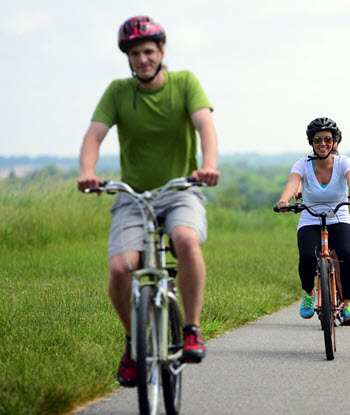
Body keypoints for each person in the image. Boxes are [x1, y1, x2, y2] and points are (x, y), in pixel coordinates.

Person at [76, 16, 220, 387]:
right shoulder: (118, 92)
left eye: (148, 51)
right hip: (134, 197)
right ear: (128, 57)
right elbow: (94, 135)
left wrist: (207, 167)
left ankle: (191, 328)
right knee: (122, 269)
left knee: (186, 240)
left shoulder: (184, 82)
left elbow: (204, 124)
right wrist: (87, 172)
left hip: (180, 190)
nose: (142, 59)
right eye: (135, 53)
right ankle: (133, 342)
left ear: (161, 52)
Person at [276, 117, 350, 324]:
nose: (323, 144)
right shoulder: (302, 164)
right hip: (310, 218)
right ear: (311, 142)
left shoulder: (344, 162)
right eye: (317, 139)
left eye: (328, 139)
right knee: (307, 257)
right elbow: (293, 183)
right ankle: (309, 293)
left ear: (334, 140)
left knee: (345, 253)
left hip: (339, 216)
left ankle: (348, 304)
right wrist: (284, 199)